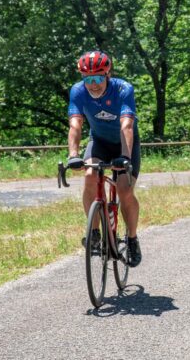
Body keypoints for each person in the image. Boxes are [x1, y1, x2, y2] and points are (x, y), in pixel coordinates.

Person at [66, 50, 142, 267]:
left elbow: (126, 125)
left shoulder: (123, 89)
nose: (93, 84)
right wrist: (73, 155)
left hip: (125, 144)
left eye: (98, 78)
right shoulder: (78, 92)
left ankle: (132, 238)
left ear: (108, 74)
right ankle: (95, 234)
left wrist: (125, 157)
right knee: (90, 174)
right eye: (88, 79)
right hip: (99, 141)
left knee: (124, 188)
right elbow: (75, 124)